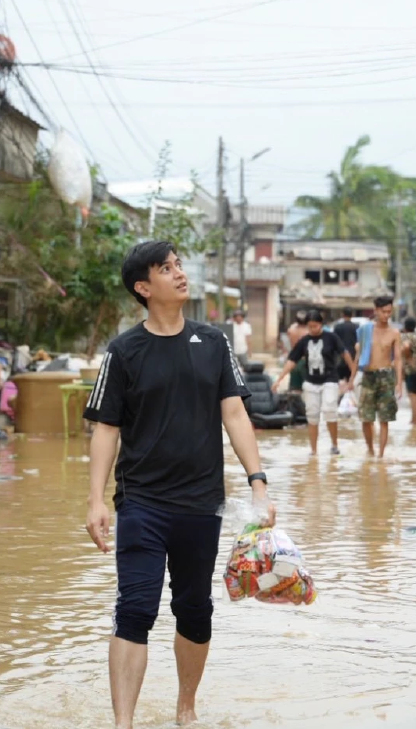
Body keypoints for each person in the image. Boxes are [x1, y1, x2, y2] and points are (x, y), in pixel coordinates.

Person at [83, 240, 276, 729]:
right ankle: (123, 723)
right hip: (142, 501)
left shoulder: (213, 343)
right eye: (166, 269)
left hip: (201, 503)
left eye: (178, 265)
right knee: (136, 606)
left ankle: (185, 708)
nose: (179, 273)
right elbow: (106, 427)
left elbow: (234, 412)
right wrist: (94, 500)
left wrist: (258, 483)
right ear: (144, 288)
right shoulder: (124, 352)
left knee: (194, 609)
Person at [274, 309, 357, 455]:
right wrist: (280, 378)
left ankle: (334, 444)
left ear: (321, 324)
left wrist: (353, 375)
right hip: (311, 382)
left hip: (329, 379)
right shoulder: (304, 341)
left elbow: (345, 353)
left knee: (330, 409)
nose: (313, 329)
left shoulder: (331, 337)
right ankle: (313, 450)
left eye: (315, 326)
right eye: (310, 326)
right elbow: (292, 360)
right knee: (312, 414)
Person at [356, 296, 404, 457]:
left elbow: (398, 359)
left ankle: (381, 455)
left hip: (386, 376)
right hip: (369, 376)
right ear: (376, 311)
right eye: (383, 312)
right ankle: (370, 448)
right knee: (365, 417)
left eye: (389, 312)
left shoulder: (394, 333)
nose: (386, 315)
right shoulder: (365, 331)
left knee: (385, 418)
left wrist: (399, 383)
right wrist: (351, 378)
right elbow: (358, 354)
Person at [333, 307, 359, 384]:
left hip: (340, 358)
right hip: (353, 358)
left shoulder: (337, 327)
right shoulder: (356, 327)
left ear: (342, 314)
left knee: (338, 383)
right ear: (352, 315)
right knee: (351, 381)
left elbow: (334, 342)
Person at [286, 311, 310, 394]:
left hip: (294, 359)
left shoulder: (291, 329)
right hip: (305, 360)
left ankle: (295, 405)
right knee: (309, 387)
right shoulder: (309, 331)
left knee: (295, 388)